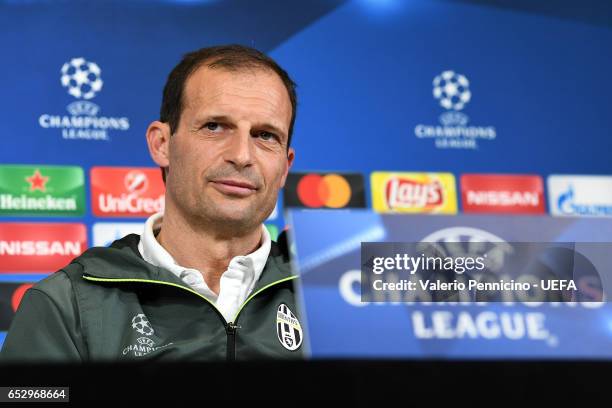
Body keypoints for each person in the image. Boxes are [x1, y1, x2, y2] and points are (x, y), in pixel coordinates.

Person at [0, 44, 303, 362]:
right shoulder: (68, 304)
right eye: (214, 127)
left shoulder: (338, 282)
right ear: (161, 144)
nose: (242, 155)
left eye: (266, 135)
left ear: (284, 167)